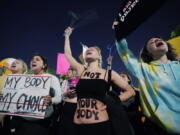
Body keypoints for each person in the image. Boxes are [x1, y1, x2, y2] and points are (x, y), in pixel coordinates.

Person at [64, 26, 135, 135]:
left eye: (93, 49)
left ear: (99, 57)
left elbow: (130, 91)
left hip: (100, 127)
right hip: (76, 127)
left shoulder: (108, 73)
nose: (89, 49)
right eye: (87, 50)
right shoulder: (81, 70)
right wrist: (67, 36)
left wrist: (113, 102)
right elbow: (68, 55)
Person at [114, 22, 180, 135]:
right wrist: (119, 32)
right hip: (161, 128)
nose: (156, 40)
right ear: (148, 52)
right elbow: (125, 54)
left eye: (158, 39)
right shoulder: (144, 69)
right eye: (151, 42)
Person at [13, 54, 62, 135]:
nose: (33, 60)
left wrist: (51, 100)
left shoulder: (52, 78)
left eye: (37, 59)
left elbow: (59, 98)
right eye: (32, 59)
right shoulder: (25, 79)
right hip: (22, 122)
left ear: (44, 65)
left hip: (40, 124)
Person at [0, 59, 28, 135]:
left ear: (23, 68)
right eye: (13, 62)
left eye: (17, 62)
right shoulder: (4, 79)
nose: (14, 63)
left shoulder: (27, 82)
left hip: (18, 120)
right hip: (5, 119)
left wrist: (3, 113)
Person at [55, 67, 79, 135]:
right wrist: (65, 94)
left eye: (69, 72)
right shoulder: (65, 82)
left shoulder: (79, 81)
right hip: (65, 105)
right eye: (67, 72)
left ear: (74, 73)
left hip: (76, 106)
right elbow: (60, 95)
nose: (67, 74)